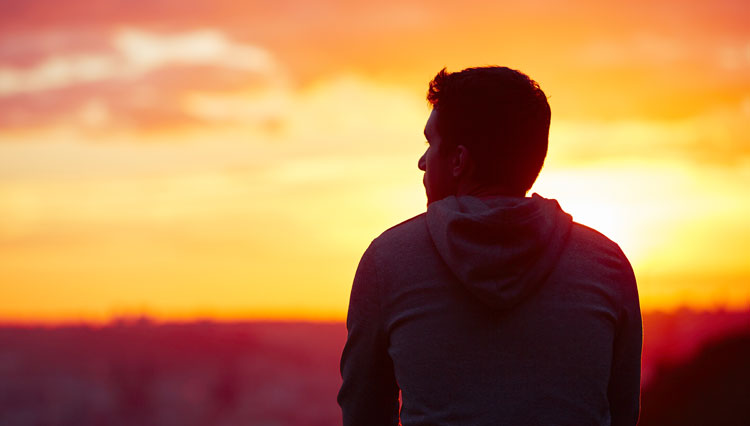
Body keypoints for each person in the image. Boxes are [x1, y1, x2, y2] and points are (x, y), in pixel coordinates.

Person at [337, 66, 642, 426]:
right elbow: (622, 412)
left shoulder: (387, 262)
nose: (421, 161)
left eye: (429, 144)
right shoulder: (607, 265)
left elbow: (363, 414)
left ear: (458, 161)